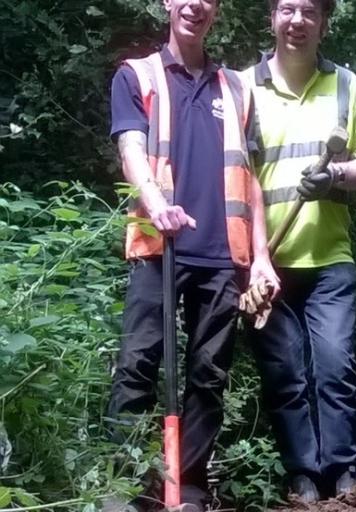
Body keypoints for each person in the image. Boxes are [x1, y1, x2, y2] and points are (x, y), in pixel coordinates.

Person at [105, 0, 278, 509]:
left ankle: (190, 486)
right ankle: (128, 490)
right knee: (138, 365)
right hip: (159, 248)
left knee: (209, 376)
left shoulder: (236, 88)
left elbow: (251, 181)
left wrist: (262, 256)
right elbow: (131, 150)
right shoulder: (137, 75)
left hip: (222, 255)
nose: (195, 4)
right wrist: (157, 205)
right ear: (166, 2)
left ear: (216, 9)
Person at [239, 0, 356, 502]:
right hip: (263, 263)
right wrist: (253, 260)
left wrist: (336, 175)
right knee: (285, 374)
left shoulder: (347, 86)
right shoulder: (241, 87)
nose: (297, 20)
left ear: (324, 22)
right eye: (287, 8)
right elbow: (234, 175)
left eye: (309, 11)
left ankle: (345, 476)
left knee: (335, 368)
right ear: (272, 18)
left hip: (330, 259)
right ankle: (302, 477)